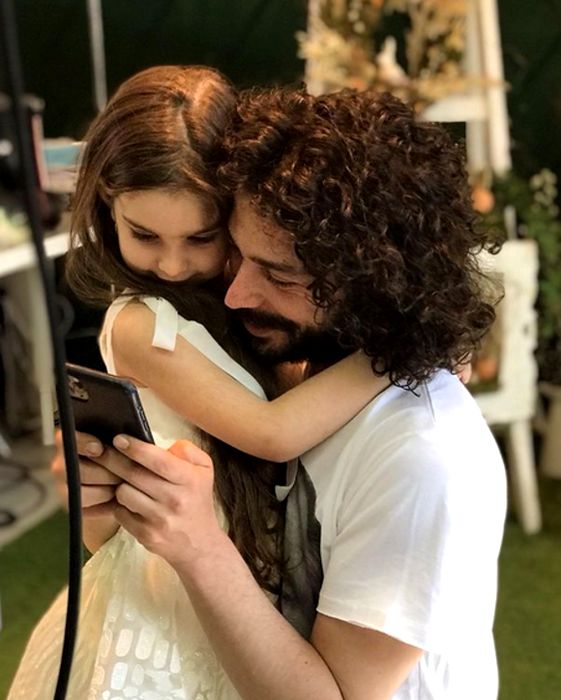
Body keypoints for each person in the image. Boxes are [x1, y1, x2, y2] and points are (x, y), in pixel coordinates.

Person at [44, 86, 506, 699]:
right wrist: (114, 508)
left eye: (280, 275)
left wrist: (197, 547)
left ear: (373, 281)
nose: (235, 295)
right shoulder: (281, 359)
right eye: (238, 254)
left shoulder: (422, 456)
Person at [8, 67, 387, 700]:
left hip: (228, 584)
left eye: (201, 237)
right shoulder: (140, 324)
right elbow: (270, 432)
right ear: (106, 207)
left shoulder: (233, 307)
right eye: (144, 235)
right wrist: (396, 355)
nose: (173, 263)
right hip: (165, 598)